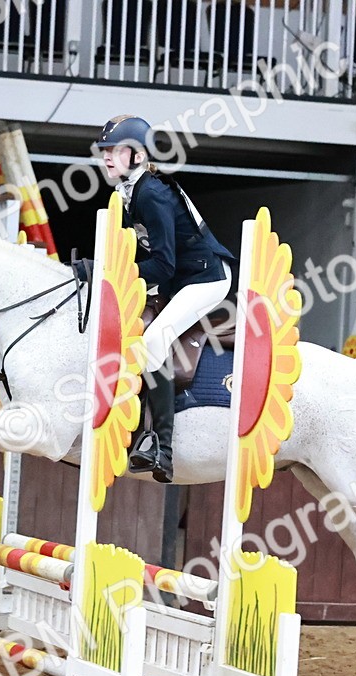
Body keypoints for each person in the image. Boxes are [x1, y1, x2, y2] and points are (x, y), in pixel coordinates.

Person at [93, 114, 238, 483]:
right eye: (105, 150)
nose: (107, 156)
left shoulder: (151, 194)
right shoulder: (128, 193)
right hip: (179, 278)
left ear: (138, 156)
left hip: (206, 278)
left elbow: (164, 262)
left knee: (155, 339)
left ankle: (162, 447)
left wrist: (115, 279)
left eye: (116, 150)